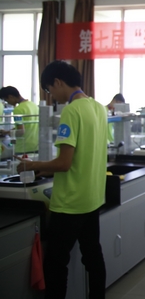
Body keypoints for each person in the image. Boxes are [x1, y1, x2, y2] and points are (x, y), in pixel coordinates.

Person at [17, 61, 107, 299]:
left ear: (57, 82)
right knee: (93, 257)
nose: (52, 95)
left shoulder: (71, 110)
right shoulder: (98, 108)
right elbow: (81, 157)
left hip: (70, 203)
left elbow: (64, 163)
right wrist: (45, 169)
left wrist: (33, 165)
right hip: (92, 198)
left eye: (49, 90)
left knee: (56, 264)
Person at [0, 86, 39, 154]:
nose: (8, 102)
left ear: (11, 97)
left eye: (6, 100)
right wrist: (6, 132)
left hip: (22, 148)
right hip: (36, 146)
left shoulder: (18, 109)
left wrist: (9, 133)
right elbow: (26, 126)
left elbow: (20, 131)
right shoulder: (33, 105)